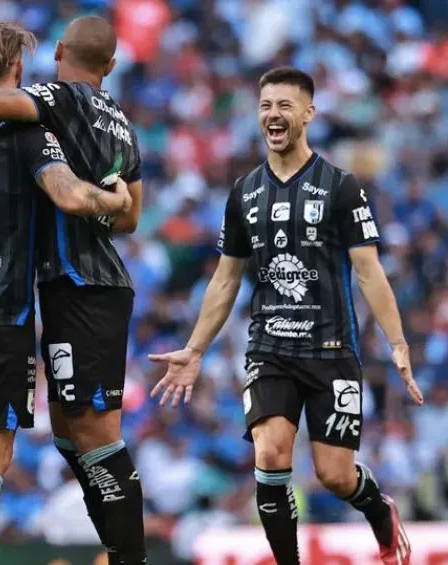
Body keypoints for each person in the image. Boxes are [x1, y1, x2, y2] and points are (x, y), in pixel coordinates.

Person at [148, 67, 423, 565]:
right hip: (270, 348)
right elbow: (226, 280)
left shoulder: (340, 186)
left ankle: (380, 511)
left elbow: (369, 272)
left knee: (334, 475)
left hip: (331, 351)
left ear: (308, 114)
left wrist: (398, 344)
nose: (273, 115)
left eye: (284, 106)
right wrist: (195, 349)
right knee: (270, 456)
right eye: (265, 106)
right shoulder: (244, 192)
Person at [0, 16, 147, 564]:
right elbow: (113, 210)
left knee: (14, 438)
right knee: (58, 436)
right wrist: (113, 203)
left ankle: (127, 557)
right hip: (16, 302)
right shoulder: (100, 123)